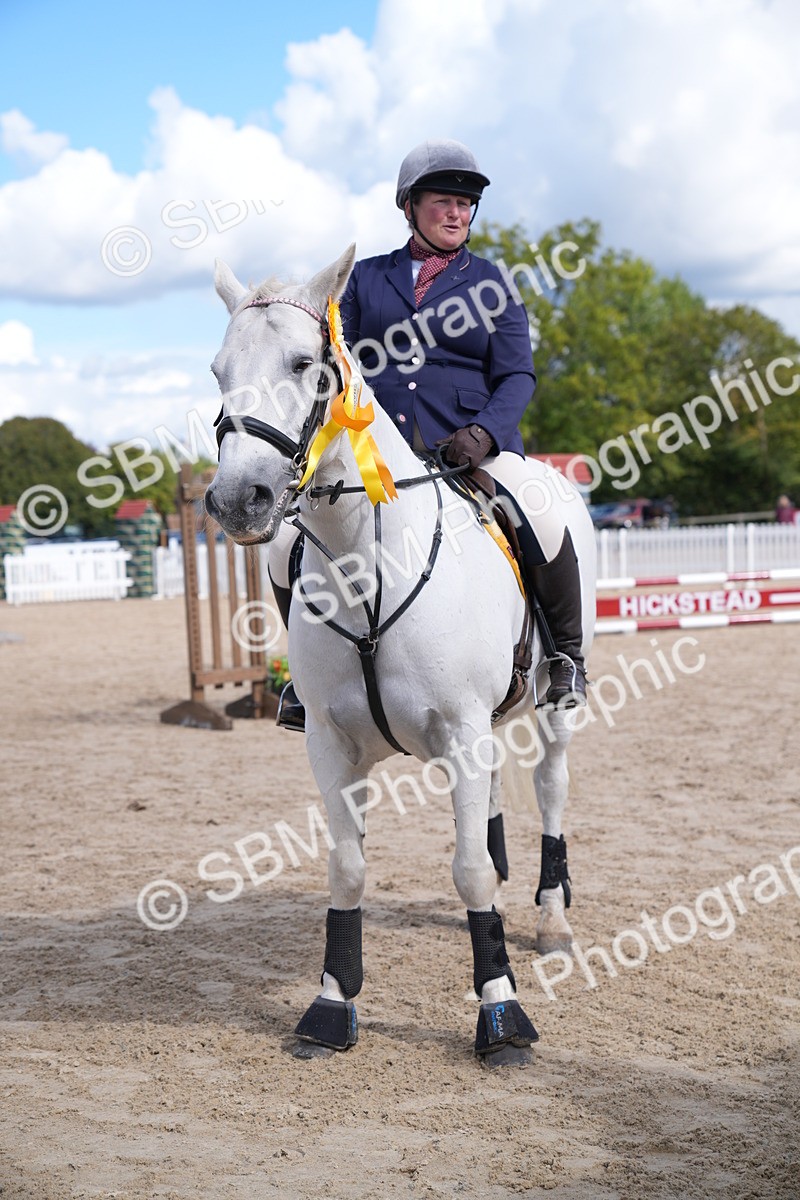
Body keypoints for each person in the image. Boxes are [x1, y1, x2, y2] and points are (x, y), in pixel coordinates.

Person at [271, 139, 588, 730]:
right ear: (410, 206)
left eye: (465, 204)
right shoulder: (365, 279)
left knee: (542, 512)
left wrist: (485, 432)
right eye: (443, 201)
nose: (457, 213)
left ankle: (566, 656)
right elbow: (338, 362)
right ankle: (304, 679)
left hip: (470, 451)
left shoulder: (493, 283)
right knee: (285, 541)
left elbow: (517, 374)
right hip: (376, 451)